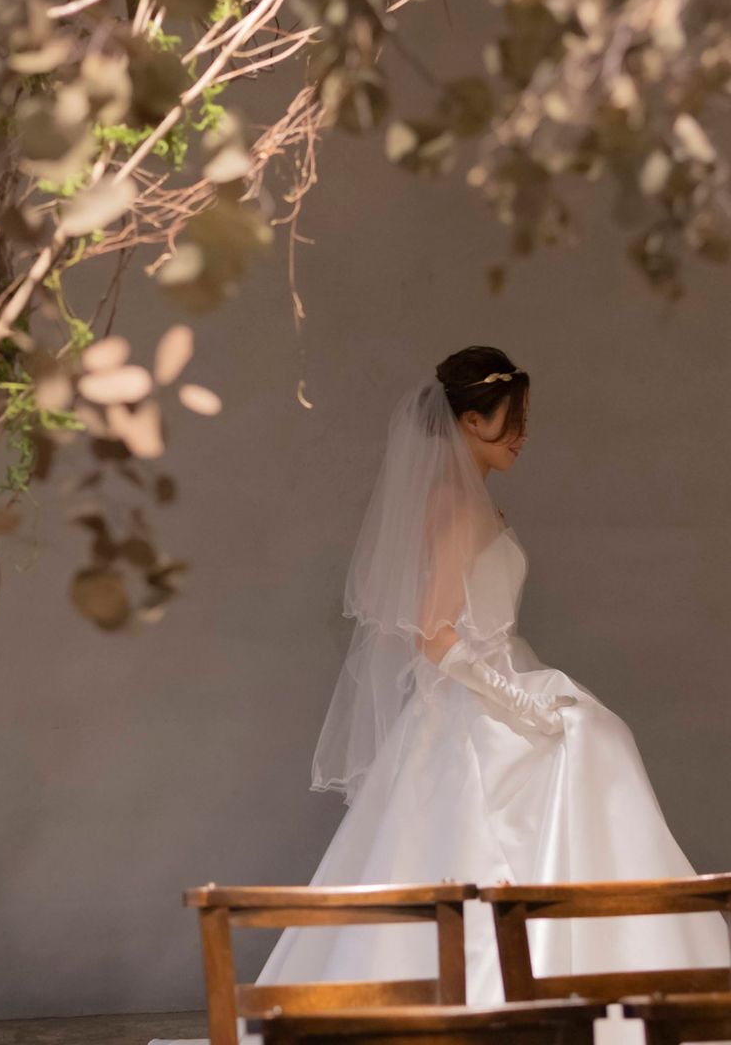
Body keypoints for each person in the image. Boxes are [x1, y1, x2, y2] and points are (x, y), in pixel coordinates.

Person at [151, 346, 728, 1045]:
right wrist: (522, 704)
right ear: (471, 421)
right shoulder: (455, 506)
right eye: (512, 419)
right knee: (584, 751)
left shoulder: (470, 499)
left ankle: (585, 987)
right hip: (476, 703)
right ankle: (553, 997)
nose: (523, 435)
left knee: (597, 745)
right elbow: (434, 633)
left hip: (494, 684)